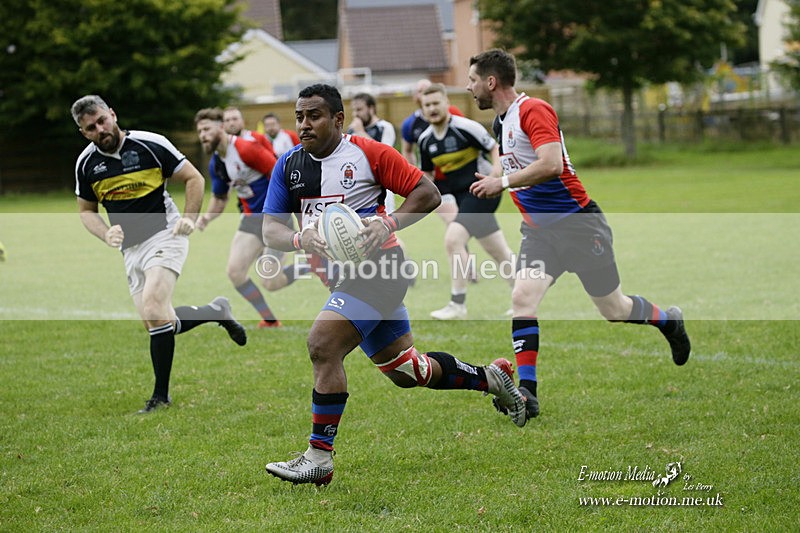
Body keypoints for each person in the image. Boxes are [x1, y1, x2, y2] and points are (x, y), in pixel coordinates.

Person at [261, 83, 527, 486]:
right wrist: (301, 239)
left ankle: (319, 456)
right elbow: (270, 230)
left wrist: (388, 221)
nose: (304, 124)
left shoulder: (369, 153)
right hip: (339, 280)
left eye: (314, 115)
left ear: (337, 118)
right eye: (299, 116)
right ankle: (491, 378)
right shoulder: (289, 166)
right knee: (407, 370)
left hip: (380, 270)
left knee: (322, 344)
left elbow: (428, 192)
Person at [466, 49, 691, 423]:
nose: (469, 87)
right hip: (540, 234)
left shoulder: (534, 110)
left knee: (613, 310)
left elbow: (551, 164)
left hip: (580, 225)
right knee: (523, 296)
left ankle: (668, 321)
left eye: (473, 80)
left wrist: (500, 182)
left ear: (491, 82)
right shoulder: (499, 124)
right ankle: (528, 393)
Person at [72, 95, 247, 414]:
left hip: (167, 233)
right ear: (84, 133)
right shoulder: (86, 164)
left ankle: (160, 398)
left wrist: (189, 218)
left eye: (102, 120)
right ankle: (215, 311)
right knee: (158, 321)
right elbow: (86, 211)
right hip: (131, 247)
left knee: (154, 305)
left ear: (112, 114)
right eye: (91, 128)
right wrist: (105, 231)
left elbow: (193, 178)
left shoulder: (150, 144)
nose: (100, 129)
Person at [195, 107, 300, 328]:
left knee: (271, 282)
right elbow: (220, 198)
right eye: (199, 131)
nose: (202, 135)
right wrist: (206, 218)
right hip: (251, 221)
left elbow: (279, 172)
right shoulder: (217, 163)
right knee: (235, 272)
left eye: (206, 129)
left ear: (221, 128)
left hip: (275, 219)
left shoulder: (245, 148)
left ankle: (311, 266)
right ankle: (270, 321)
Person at [417, 83, 515, 320]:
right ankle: (525, 294)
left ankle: (457, 304)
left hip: (483, 191)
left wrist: (494, 175)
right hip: (461, 196)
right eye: (427, 105)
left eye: (436, 103)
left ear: (446, 103)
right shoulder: (425, 140)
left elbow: (495, 148)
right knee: (498, 250)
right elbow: (428, 176)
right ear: (422, 109)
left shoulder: (465, 128)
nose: (432, 108)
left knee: (453, 239)